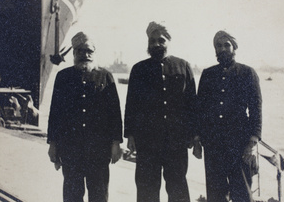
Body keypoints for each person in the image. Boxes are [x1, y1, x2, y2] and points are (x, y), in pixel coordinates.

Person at [124, 21, 197, 202]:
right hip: (147, 140)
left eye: (161, 40)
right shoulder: (139, 69)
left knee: (178, 186)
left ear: (168, 42)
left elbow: (192, 104)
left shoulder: (184, 66)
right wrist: (130, 135)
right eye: (152, 40)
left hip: (176, 141)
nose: (156, 44)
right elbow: (131, 104)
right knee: (146, 188)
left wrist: (194, 135)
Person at [47, 32, 123, 202]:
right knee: (72, 195)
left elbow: (115, 114)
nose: (85, 55)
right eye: (80, 51)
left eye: (89, 51)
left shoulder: (106, 77)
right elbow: (55, 114)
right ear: (74, 53)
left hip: (99, 151)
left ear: (94, 53)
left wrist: (115, 143)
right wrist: (53, 144)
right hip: (70, 149)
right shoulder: (63, 77)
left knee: (99, 195)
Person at [197, 30, 262, 202]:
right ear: (215, 50)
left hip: (239, 144)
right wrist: (197, 138)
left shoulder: (247, 73)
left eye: (227, 45)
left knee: (242, 193)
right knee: (215, 194)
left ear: (234, 48)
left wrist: (253, 141)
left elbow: (256, 109)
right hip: (213, 144)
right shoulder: (208, 74)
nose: (223, 49)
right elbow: (199, 109)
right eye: (219, 46)